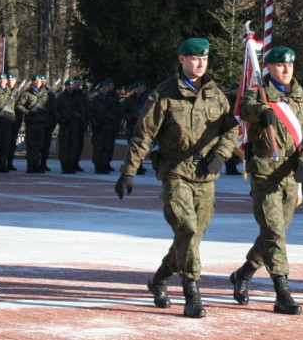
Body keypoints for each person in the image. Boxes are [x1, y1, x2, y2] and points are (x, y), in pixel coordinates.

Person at [114, 38, 239, 318]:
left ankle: (159, 278)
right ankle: (192, 293)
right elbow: (143, 134)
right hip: (175, 171)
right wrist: (128, 171)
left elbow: (231, 129)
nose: (200, 63)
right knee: (187, 229)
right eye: (195, 59)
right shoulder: (164, 93)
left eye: (205, 59)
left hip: (206, 174)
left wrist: (221, 153)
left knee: (191, 238)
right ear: (182, 59)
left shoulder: (214, 93)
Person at [230, 46, 303, 315]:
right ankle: (282, 292)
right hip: (265, 173)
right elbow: (244, 108)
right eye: (280, 65)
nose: (286, 70)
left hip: (291, 175)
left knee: (276, 232)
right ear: (268, 67)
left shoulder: (302, 97)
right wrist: (262, 111)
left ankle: (244, 273)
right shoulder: (257, 93)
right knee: (273, 233)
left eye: (290, 65)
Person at [15, 74, 53, 173]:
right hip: (31, 122)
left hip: (41, 123)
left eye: (39, 80)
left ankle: (37, 166)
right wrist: (27, 112)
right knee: (31, 145)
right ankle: (30, 166)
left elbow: (51, 107)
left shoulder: (47, 93)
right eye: (35, 81)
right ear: (32, 82)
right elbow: (19, 105)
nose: (37, 82)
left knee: (39, 145)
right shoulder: (27, 93)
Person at [55, 78, 88, 174]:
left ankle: (71, 165)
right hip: (65, 125)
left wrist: (83, 123)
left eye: (72, 85)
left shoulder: (77, 98)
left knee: (73, 146)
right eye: (69, 85)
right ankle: (64, 166)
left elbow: (83, 111)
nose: (71, 87)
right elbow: (55, 110)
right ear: (66, 86)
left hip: (75, 125)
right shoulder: (61, 97)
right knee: (64, 146)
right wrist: (61, 119)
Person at [90, 79, 119, 174]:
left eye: (106, 87)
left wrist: (111, 122)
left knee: (106, 147)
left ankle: (104, 164)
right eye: (103, 87)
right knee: (98, 147)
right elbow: (91, 114)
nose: (105, 89)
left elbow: (114, 113)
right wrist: (96, 123)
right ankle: (98, 165)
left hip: (108, 126)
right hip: (98, 127)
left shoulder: (111, 100)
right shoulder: (95, 100)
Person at [119, 81, 147, 175]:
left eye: (141, 88)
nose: (139, 90)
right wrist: (129, 118)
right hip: (132, 126)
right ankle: (132, 165)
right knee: (132, 146)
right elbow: (122, 110)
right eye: (137, 88)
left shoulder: (147, 99)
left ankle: (140, 165)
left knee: (141, 146)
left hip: (143, 126)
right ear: (134, 89)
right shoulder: (129, 100)